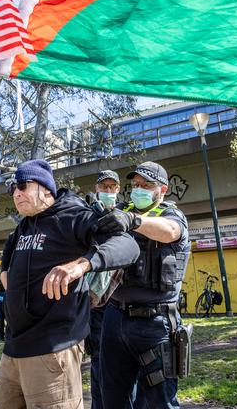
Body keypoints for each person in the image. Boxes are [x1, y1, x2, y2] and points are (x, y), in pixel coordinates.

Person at [0, 160, 139, 409]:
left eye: (22, 185)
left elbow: (128, 246)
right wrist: (5, 275)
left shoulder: (75, 216)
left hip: (52, 349)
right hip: (11, 351)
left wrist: (80, 265)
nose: (16, 193)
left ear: (46, 189)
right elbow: (7, 256)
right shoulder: (24, 226)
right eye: (12, 189)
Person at [96, 160, 191, 409]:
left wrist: (133, 221)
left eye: (146, 184)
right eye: (135, 184)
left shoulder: (171, 215)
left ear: (163, 189)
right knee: (112, 397)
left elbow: (170, 231)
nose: (138, 189)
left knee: (159, 401)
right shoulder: (120, 211)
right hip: (114, 318)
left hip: (156, 323)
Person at [87, 169, 121, 409]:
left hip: (118, 302)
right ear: (96, 188)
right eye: (104, 187)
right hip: (93, 302)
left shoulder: (124, 216)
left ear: (118, 190)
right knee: (98, 362)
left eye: (112, 187)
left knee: (118, 365)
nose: (108, 191)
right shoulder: (87, 217)